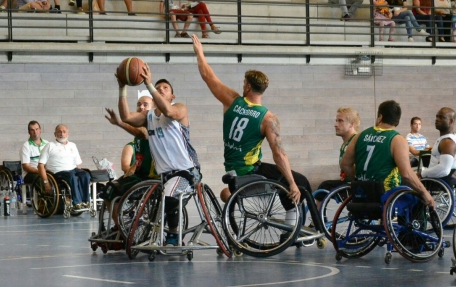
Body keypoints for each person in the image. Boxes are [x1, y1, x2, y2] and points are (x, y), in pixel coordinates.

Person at [191, 34, 310, 211]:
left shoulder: (232, 101)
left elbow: (208, 76)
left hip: (232, 168)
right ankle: (292, 227)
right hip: (250, 171)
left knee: (232, 191)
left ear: (247, 87)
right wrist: (292, 183)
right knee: (300, 182)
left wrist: (199, 53)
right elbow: (279, 155)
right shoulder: (268, 118)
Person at [117, 66, 200, 246]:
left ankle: (173, 234)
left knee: (170, 194)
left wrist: (149, 84)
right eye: (158, 87)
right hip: (165, 175)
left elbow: (169, 112)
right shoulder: (148, 117)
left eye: (165, 88)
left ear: (172, 96)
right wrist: (122, 87)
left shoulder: (180, 108)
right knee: (163, 195)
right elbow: (126, 117)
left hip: (187, 170)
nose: (161, 89)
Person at [339, 100, 435, 208]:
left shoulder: (359, 135)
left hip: (362, 191)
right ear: (397, 121)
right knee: (419, 199)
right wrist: (425, 193)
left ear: (380, 117)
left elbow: (345, 164)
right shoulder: (397, 139)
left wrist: (360, 180)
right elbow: (407, 175)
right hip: (386, 194)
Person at [103, 92, 158, 227]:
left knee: (114, 190)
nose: (141, 107)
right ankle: (118, 225)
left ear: (153, 108)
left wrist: (119, 123)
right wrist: (133, 167)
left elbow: (143, 133)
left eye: (146, 104)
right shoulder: (137, 131)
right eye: (139, 104)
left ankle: (121, 229)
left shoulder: (150, 127)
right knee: (107, 191)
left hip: (150, 178)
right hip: (139, 175)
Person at [37, 124, 91, 210]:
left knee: (86, 175)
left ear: (67, 134)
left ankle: (85, 201)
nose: (62, 134)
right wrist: (46, 182)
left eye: (64, 132)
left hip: (73, 169)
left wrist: (80, 175)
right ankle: (77, 203)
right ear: (55, 134)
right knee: (71, 176)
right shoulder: (50, 146)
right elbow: (40, 165)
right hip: (58, 172)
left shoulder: (73, 145)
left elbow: (78, 164)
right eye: (59, 132)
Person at [314, 108, 360, 205]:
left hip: (354, 186)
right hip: (347, 183)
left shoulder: (356, 141)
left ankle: (316, 219)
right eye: (336, 121)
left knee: (324, 186)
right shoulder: (346, 143)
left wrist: (356, 181)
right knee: (324, 186)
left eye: (340, 121)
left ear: (352, 124)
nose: (335, 125)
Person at [420, 108, 456, 180]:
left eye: (442, 117)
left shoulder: (448, 142)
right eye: (437, 116)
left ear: (451, 121)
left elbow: (444, 169)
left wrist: (421, 173)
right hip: (441, 179)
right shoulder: (453, 138)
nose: (437, 119)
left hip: (438, 183)